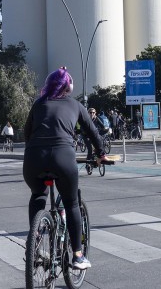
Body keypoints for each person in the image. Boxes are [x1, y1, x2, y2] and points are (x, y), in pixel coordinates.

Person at [23, 67, 105, 270]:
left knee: (38, 196)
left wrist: (35, 149)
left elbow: (27, 132)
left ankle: (32, 243)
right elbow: (93, 132)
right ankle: (77, 256)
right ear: (68, 87)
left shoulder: (38, 104)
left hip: (34, 158)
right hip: (63, 157)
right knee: (71, 203)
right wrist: (101, 154)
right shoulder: (75, 104)